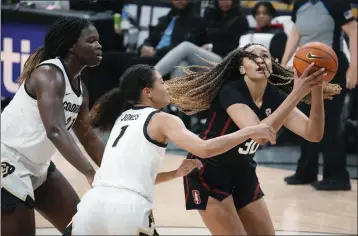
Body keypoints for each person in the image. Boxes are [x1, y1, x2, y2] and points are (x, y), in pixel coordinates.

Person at [64, 64, 277, 235]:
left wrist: (175, 173)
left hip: (92, 205)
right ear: (147, 92)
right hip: (128, 210)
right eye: (161, 82)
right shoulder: (164, 119)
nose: (167, 86)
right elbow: (203, 149)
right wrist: (249, 131)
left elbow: (132, 178)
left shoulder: (121, 118)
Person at [165, 43, 341, 235]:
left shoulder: (276, 96)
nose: (260, 60)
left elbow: (313, 134)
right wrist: (298, 93)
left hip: (243, 174)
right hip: (207, 172)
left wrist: (316, 89)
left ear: (272, 65)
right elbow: (259, 135)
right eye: (252, 57)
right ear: (241, 68)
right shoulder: (231, 91)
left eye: (265, 56)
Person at [1, 17, 105, 236]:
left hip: (38, 166)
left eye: (98, 41)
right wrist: (89, 172)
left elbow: (89, 137)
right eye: (91, 41)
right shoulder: (49, 75)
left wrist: (113, 172)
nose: (99, 45)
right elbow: (55, 130)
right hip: (8, 160)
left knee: (81, 228)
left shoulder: (80, 90)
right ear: (71, 45)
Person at [281, 0, 357, 190]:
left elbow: (354, 31)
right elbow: (296, 34)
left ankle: (338, 176)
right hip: (305, 69)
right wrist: (283, 63)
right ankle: (306, 171)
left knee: (329, 121)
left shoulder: (336, 3)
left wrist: (355, 67)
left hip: (333, 69)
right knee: (306, 119)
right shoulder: (300, 4)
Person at [154, 0, 249, 79]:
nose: (224, 2)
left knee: (186, 46)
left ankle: (151, 76)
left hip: (225, 61)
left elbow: (236, 46)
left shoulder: (240, 20)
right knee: (183, 64)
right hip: (207, 58)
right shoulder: (213, 15)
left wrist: (211, 46)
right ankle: (175, 101)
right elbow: (204, 37)